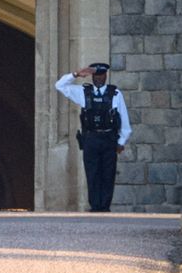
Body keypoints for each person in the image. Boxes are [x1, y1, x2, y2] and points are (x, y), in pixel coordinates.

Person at [55, 63, 131, 212]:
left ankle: (105, 207)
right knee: (92, 173)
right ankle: (95, 206)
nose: (98, 79)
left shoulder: (115, 94)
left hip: (109, 138)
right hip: (91, 138)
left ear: (106, 76)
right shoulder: (84, 92)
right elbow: (59, 85)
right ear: (92, 76)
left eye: (101, 75)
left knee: (108, 174)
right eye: (96, 75)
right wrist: (76, 74)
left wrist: (121, 141)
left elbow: (124, 119)